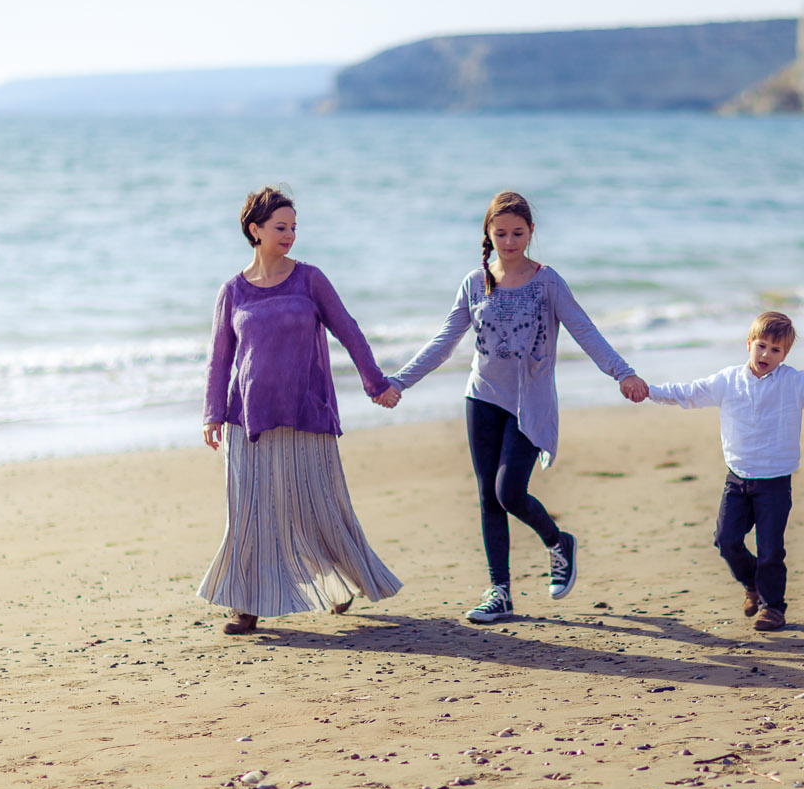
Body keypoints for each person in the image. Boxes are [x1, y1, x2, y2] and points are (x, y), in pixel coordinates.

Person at [381, 191, 648, 623]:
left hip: (531, 402)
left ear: (531, 233)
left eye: (517, 233)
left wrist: (623, 373)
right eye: (500, 233)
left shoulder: (548, 283)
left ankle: (557, 542)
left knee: (509, 493)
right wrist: (398, 381)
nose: (509, 241)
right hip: (482, 398)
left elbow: (585, 331)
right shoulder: (474, 282)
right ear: (488, 233)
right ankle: (499, 593)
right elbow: (444, 343)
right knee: (488, 496)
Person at [199, 185, 403, 635]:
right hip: (247, 418)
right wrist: (213, 412)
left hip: (307, 411)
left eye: (293, 227)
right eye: (280, 227)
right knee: (249, 513)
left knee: (319, 509)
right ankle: (246, 605)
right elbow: (219, 358)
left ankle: (337, 583)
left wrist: (376, 383)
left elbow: (348, 330)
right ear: (255, 230)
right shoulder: (232, 291)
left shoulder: (309, 279)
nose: (290, 235)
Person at [646, 311, 804, 631]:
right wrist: (648, 391)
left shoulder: (794, 383)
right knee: (726, 541)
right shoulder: (727, 381)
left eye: (776, 350)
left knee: (771, 549)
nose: (766, 355)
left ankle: (773, 607)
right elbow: (687, 393)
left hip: (775, 482)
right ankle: (752, 584)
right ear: (748, 344)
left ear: (785, 355)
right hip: (737, 479)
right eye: (761, 346)